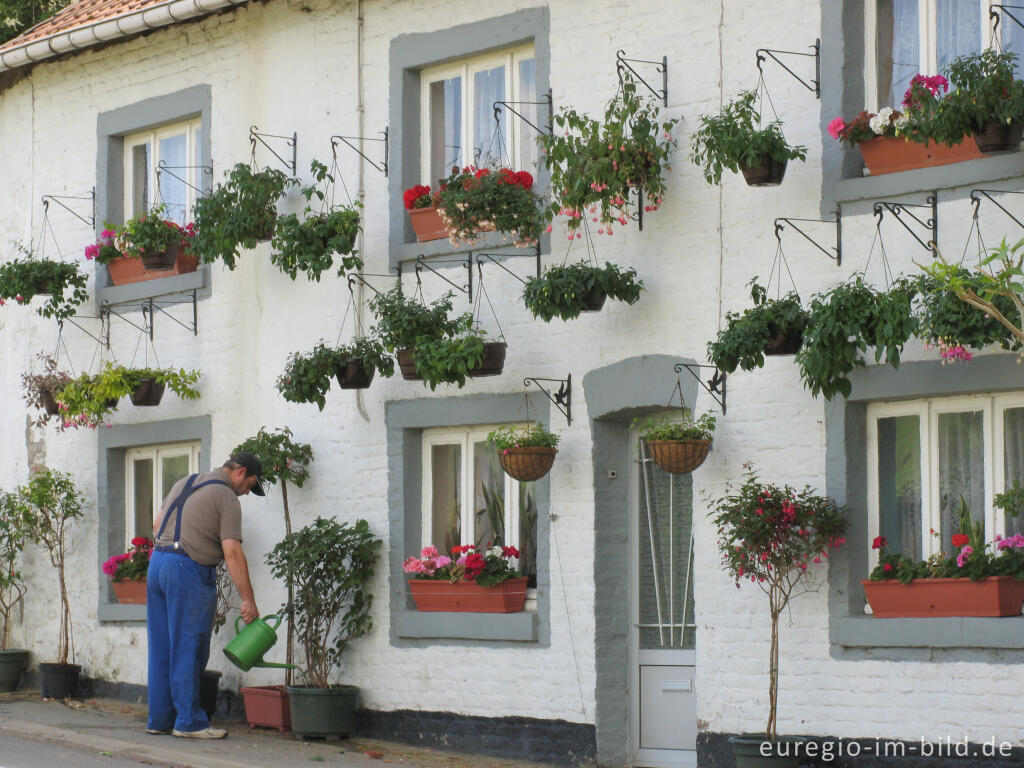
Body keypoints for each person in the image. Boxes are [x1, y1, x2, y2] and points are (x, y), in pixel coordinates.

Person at [145, 451, 264, 739]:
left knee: (161, 647)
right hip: (187, 569)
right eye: (250, 485)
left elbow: (157, 523)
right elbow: (232, 551)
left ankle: (159, 719)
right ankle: (189, 722)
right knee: (188, 646)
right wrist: (248, 599)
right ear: (241, 472)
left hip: (158, 564)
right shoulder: (227, 498)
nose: (247, 492)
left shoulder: (187, 481)